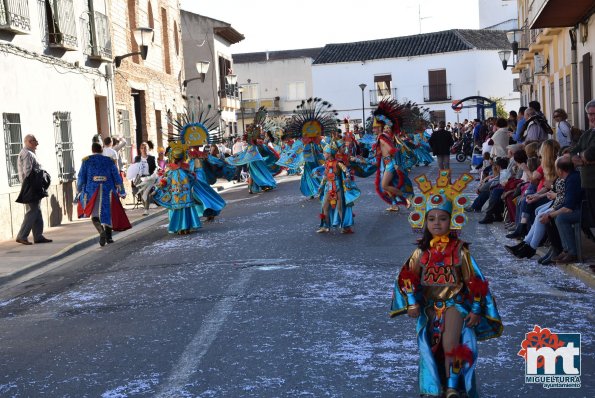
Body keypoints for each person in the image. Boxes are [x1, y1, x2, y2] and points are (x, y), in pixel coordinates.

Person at [390, 170, 503, 398]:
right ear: (424, 221)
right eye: (431, 219)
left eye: (442, 218)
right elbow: (407, 277)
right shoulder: (420, 252)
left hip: (455, 304)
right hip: (430, 307)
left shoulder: (460, 251)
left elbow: (476, 282)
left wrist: (476, 308)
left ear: (451, 221)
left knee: (450, 342)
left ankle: (452, 386)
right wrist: (412, 303)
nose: (437, 223)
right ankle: (436, 384)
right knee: (433, 347)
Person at [76, 143, 130, 246]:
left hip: (92, 192)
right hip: (107, 191)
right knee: (107, 213)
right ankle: (109, 237)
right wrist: (122, 191)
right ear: (102, 150)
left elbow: (81, 177)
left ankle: (102, 232)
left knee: (95, 214)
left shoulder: (86, 161)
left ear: (92, 150)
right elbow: (117, 177)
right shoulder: (109, 161)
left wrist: (78, 191)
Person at [15, 134, 52, 245]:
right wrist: (34, 186)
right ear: (30, 142)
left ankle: (38, 236)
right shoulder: (27, 154)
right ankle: (22, 236)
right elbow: (28, 172)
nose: (37, 143)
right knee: (33, 211)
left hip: (33, 185)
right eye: (35, 141)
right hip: (31, 186)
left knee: (37, 210)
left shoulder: (29, 153)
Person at [570, 99, 595, 230]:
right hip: (587, 182)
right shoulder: (587, 134)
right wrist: (581, 157)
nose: (592, 117)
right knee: (591, 220)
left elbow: (591, 154)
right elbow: (573, 151)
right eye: (590, 114)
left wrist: (582, 157)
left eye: (594, 114)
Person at [133, 142, 157, 215]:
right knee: (142, 193)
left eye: (145, 148)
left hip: (148, 177)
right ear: (140, 149)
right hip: (139, 177)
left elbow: (154, 168)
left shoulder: (151, 158)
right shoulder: (137, 158)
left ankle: (146, 209)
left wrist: (152, 176)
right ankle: (145, 207)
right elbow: (134, 167)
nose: (144, 150)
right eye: (142, 148)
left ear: (148, 149)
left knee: (145, 193)